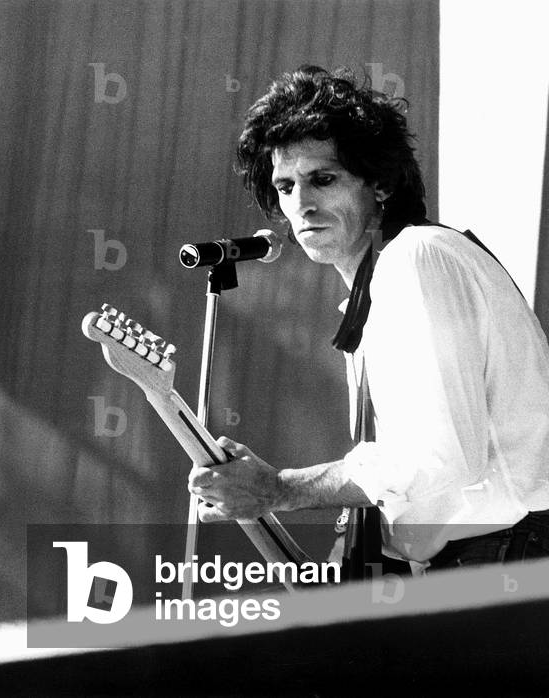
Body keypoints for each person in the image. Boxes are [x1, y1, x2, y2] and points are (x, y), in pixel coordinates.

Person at [188, 66, 549, 574]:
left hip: (509, 558)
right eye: (285, 186)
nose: (302, 205)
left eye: (323, 179)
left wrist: (280, 488)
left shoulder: (417, 258)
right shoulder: (382, 284)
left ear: (378, 183)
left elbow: (436, 461)